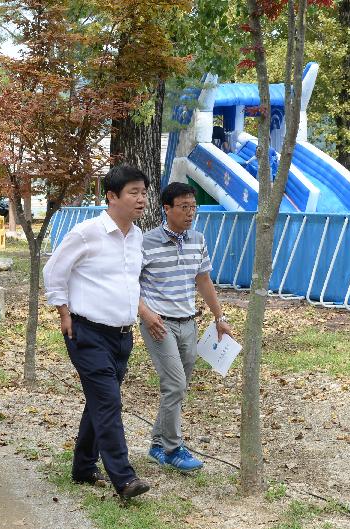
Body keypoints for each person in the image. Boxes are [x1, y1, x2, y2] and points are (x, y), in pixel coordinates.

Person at [43, 164, 151, 501]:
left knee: (99, 401)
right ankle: (124, 478)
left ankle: (83, 467)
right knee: (108, 402)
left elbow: (130, 283)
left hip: (122, 335)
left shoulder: (136, 236)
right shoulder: (87, 232)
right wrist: (62, 310)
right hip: (87, 331)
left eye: (144, 192)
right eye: (133, 192)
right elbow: (54, 270)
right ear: (112, 196)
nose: (141, 199)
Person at [139, 182, 233, 472]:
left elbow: (203, 279)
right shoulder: (146, 242)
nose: (190, 213)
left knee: (176, 389)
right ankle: (173, 448)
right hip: (159, 324)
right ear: (166, 209)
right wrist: (145, 313)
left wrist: (219, 317)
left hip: (188, 322)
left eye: (193, 207)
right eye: (184, 207)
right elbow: (127, 282)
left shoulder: (197, 239)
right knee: (175, 385)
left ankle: (157, 445)